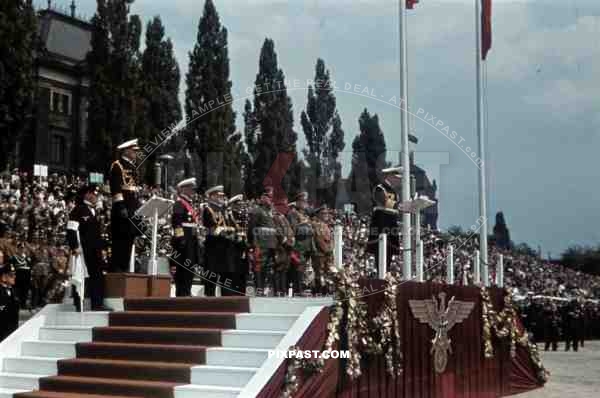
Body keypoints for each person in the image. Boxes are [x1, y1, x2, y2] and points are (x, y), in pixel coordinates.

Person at [66, 184, 110, 311]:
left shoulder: (95, 211)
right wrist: (74, 246)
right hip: (83, 250)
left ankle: (97, 304)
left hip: (95, 250)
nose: (97, 196)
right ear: (87, 194)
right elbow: (71, 229)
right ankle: (77, 303)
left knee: (97, 276)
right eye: (95, 194)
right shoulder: (78, 210)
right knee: (79, 274)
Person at [109, 138, 142, 272]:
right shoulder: (117, 165)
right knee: (119, 242)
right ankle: (117, 269)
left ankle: (124, 268)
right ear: (127, 150)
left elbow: (135, 190)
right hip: (122, 209)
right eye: (134, 151)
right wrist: (121, 206)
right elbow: (116, 187)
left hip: (133, 208)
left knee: (129, 242)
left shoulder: (134, 167)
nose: (135, 153)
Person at [171, 178, 200, 297]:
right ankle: (182, 292)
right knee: (183, 267)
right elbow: (176, 222)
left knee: (190, 267)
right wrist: (180, 238)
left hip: (191, 238)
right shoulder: (179, 203)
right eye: (190, 189)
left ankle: (187, 290)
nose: (193, 192)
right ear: (184, 189)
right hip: (183, 239)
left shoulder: (190, 203)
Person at [202, 185, 232, 296]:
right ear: (212, 196)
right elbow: (211, 226)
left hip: (223, 245)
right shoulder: (208, 209)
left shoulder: (223, 209)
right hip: (212, 246)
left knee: (224, 274)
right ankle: (209, 297)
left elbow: (228, 226)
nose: (221, 198)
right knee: (211, 273)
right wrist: (223, 230)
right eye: (218, 196)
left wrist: (226, 229)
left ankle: (225, 298)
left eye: (222, 196)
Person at [247, 186, 278, 294]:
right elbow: (251, 229)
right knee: (259, 266)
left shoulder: (270, 212)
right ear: (262, 197)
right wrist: (252, 245)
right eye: (269, 197)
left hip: (271, 244)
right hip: (260, 243)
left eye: (272, 197)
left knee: (267, 267)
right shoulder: (257, 211)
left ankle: (264, 287)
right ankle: (259, 288)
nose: (271, 199)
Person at [367, 183, 400, 270]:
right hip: (381, 221)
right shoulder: (380, 188)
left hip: (391, 222)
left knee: (390, 250)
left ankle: (386, 271)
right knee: (380, 249)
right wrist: (397, 205)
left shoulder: (395, 191)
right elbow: (383, 201)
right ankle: (380, 272)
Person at [287, 192, 314, 294]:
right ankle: (297, 290)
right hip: (298, 245)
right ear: (297, 202)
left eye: (305, 201)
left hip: (307, 246)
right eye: (303, 201)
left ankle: (301, 288)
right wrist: (307, 229)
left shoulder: (305, 215)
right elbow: (293, 229)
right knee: (297, 269)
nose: (305, 203)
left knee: (303, 269)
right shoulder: (293, 213)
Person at [224, 194, 248, 296]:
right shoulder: (229, 215)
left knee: (242, 269)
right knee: (233, 269)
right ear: (233, 205)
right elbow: (227, 230)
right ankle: (233, 290)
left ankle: (240, 291)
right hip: (232, 245)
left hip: (242, 245)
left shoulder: (242, 216)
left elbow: (245, 230)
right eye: (237, 205)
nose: (240, 206)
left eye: (241, 204)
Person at [311, 205, 333, 294]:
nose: (326, 215)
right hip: (320, 253)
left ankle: (326, 288)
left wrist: (331, 248)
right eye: (323, 213)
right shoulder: (316, 225)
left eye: (327, 213)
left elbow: (330, 239)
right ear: (318, 215)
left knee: (327, 271)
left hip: (327, 253)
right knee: (319, 272)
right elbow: (319, 239)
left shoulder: (325, 225)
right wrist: (327, 250)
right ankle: (319, 289)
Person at [0, 263, 19, 341]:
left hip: (11, 332)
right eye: (11, 275)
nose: (14, 277)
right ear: (4, 277)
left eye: (14, 274)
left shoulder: (13, 290)